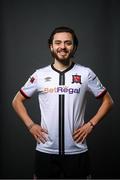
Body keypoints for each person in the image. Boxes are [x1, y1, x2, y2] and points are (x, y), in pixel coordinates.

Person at [12, 26, 114, 179]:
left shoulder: (85, 73)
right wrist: (31, 125)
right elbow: (17, 101)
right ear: (51, 46)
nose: (62, 47)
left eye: (68, 43)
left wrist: (91, 124)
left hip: (77, 150)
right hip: (46, 150)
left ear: (74, 46)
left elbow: (108, 101)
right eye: (58, 42)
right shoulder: (40, 75)